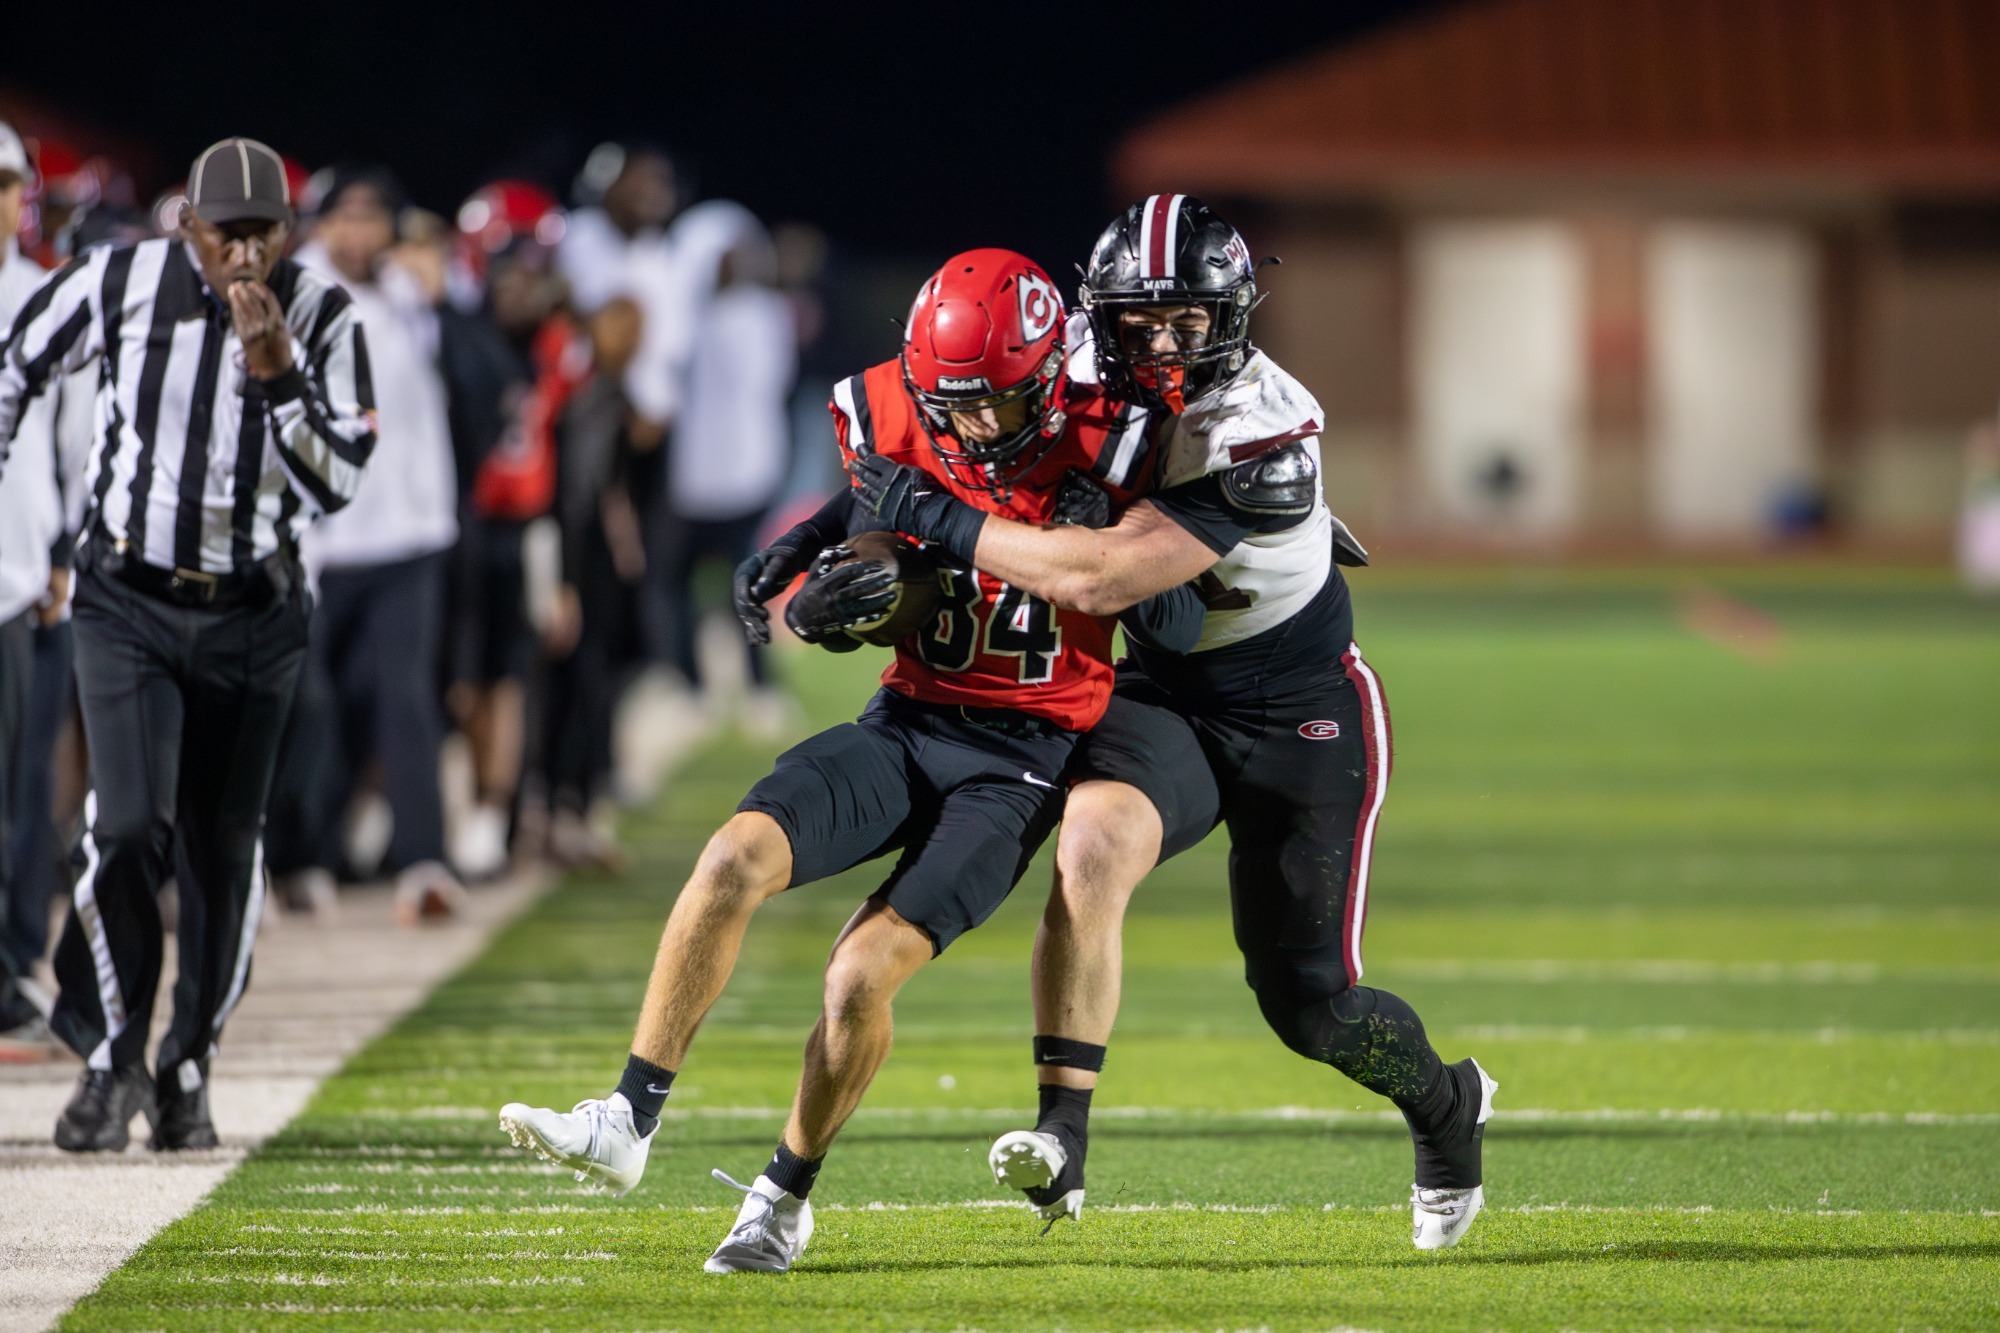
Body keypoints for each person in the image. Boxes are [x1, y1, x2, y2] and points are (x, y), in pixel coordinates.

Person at [496, 249, 1200, 1275]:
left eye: (989, 407)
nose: (963, 426)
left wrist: (1110, 562)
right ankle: (624, 1118)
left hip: (1022, 758)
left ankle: (781, 1199)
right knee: (732, 855)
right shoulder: (902, 406)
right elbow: (885, 506)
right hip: (908, 717)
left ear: (1048, 380)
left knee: (855, 979)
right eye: (943, 401)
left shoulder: (1121, 436)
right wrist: (841, 573)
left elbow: (1176, 608)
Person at [847, 197, 1497, 1250]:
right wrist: (827, 540)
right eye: (1137, 320)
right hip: (1162, 688)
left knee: (1309, 1005)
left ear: (1232, 315)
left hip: (1295, 704)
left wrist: (935, 518)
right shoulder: (1069, 364)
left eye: (1188, 320)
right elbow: (923, 400)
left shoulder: (1261, 424)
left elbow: (1103, 576)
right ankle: (1062, 1133)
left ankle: (1445, 1105)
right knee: (1092, 840)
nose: (1159, 342)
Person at [0, 137, 375, 1151]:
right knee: (123, 827)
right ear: (189, 226)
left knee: (221, 848)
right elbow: (13, 365)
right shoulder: (118, 280)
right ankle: (117, 1049)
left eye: (262, 233)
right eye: (226, 234)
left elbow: (337, 485)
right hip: (126, 595)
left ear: (287, 234)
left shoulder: (326, 316)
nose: (243, 255)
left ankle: (190, 1058)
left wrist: (276, 374)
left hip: (256, 611)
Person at [263, 167, 465, 922]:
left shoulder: (411, 291)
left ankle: (423, 860)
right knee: (312, 707)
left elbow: (471, 381)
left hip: (410, 531)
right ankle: (302, 855)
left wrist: (448, 297)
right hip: (319, 537)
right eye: (343, 215)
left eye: (373, 215)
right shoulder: (292, 292)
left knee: (407, 697)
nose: (359, 230)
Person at [656, 203, 795, 720]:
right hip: (689, 479)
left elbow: (772, 388)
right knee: (678, 588)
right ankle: (689, 683)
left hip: (746, 474)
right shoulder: (680, 318)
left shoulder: (765, 313)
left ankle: (760, 685)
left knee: (749, 583)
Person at [0, 120, 67, 1052]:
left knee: (18, 788)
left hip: (14, 570)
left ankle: (10, 969)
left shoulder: (44, 296)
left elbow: (77, 437)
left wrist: (65, 550)